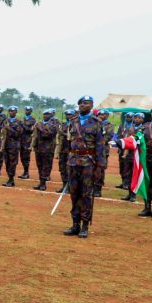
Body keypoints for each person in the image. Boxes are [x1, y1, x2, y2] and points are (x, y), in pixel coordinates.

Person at [62, 96, 105, 238]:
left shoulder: (97, 123)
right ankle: (75, 224)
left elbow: (100, 146)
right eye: (80, 103)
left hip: (88, 163)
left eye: (86, 103)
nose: (82, 105)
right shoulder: (72, 121)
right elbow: (69, 143)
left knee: (86, 194)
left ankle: (85, 226)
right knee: (74, 194)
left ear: (91, 105)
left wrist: (99, 167)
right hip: (73, 162)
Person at [31, 109, 57, 191]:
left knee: (46, 166)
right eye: (44, 114)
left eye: (47, 114)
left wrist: (39, 127)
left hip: (48, 149)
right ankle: (41, 182)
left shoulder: (53, 124)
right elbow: (35, 135)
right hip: (39, 149)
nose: (45, 116)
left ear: (51, 115)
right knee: (40, 166)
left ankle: (43, 184)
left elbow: (47, 134)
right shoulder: (40, 123)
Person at [93, 109, 114, 197]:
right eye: (99, 114)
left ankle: (98, 189)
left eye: (103, 114)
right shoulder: (94, 123)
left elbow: (108, 137)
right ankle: (92, 187)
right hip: (92, 150)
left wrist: (95, 142)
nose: (101, 116)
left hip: (102, 151)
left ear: (107, 115)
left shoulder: (109, 125)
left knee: (100, 170)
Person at [0, 106, 23, 187]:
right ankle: (10, 178)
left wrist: (9, 128)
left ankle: (11, 179)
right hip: (6, 145)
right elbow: (2, 132)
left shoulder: (19, 122)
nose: (11, 112)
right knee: (7, 162)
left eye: (12, 111)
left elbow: (18, 134)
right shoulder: (6, 121)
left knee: (12, 163)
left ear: (16, 112)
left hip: (14, 146)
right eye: (9, 111)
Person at [55, 109, 76, 193]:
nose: (68, 116)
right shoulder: (63, 125)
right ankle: (64, 186)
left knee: (70, 169)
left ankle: (70, 187)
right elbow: (58, 138)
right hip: (62, 150)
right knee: (62, 169)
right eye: (67, 115)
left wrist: (64, 134)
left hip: (71, 151)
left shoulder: (75, 125)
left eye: (70, 115)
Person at [116, 113, 135, 189]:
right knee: (122, 166)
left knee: (128, 167)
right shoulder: (122, 126)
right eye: (127, 117)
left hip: (130, 150)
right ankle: (123, 181)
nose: (128, 118)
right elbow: (118, 135)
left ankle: (127, 183)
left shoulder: (133, 127)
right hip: (121, 149)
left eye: (130, 117)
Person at [18, 105, 36, 179]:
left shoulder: (32, 120)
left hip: (27, 140)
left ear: (31, 111)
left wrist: (22, 125)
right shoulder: (23, 119)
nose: (27, 111)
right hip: (21, 140)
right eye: (26, 110)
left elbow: (30, 130)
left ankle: (26, 172)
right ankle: (24, 172)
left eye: (28, 110)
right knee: (22, 157)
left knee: (26, 157)